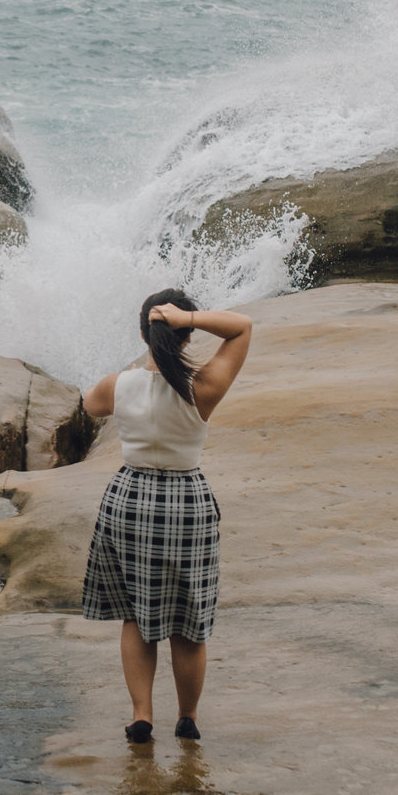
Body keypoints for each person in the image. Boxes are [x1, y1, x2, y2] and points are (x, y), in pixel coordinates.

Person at [78, 289, 253, 745]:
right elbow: (242, 327)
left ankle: (142, 715)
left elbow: (87, 405)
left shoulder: (118, 385)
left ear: (143, 334)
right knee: (188, 620)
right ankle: (188, 717)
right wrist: (187, 315)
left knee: (137, 615)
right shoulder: (201, 388)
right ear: (188, 336)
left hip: (130, 498)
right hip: (185, 500)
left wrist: (133, 375)